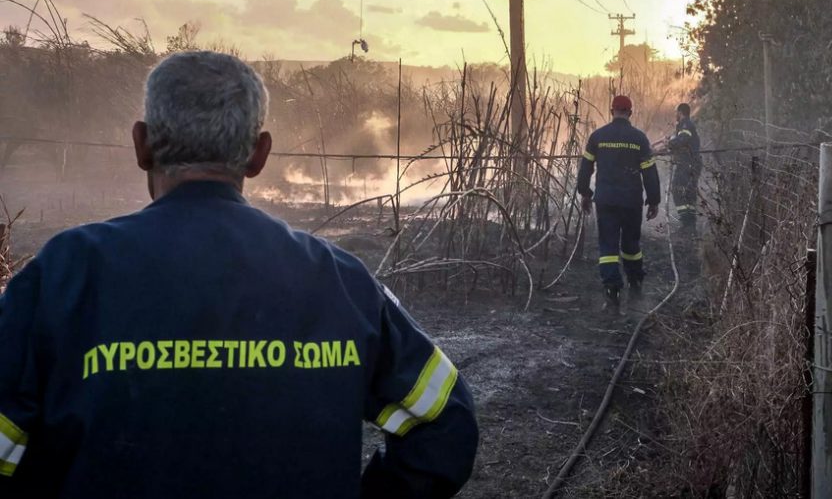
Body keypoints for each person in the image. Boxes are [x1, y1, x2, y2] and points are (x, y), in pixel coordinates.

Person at [0, 51, 478, 498]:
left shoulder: (62, 275)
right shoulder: (340, 281)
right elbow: (445, 424)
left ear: (142, 145)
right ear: (258, 154)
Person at [576, 95, 660, 314]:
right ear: (630, 113)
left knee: (608, 247)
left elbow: (585, 169)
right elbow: (649, 171)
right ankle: (635, 285)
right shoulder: (639, 139)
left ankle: (612, 293)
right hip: (631, 201)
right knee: (631, 245)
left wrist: (585, 193)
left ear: (611, 110)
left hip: (606, 201)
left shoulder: (598, 137)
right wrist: (653, 200)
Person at [665, 102, 702, 230]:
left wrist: (669, 143)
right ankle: (690, 224)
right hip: (692, 163)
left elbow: (682, 140)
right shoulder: (685, 125)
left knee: (677, 189)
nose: (675, 115)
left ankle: (686, 222)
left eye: (676, 112)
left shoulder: (685, 124)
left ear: (680, 113)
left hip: (687, 163)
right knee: (689, 192)